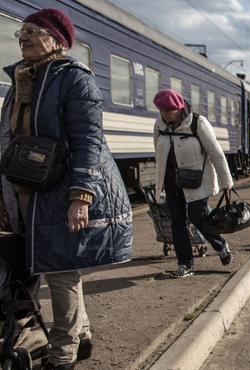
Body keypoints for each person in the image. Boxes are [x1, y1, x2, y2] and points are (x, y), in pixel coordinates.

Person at [1, 8, 134, 370]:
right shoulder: (24, 79)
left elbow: (89, 140)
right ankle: (83, 336)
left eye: (32, 31)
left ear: (57, 39)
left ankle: (63, 356)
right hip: (28, 189)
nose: (22, 37)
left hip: (61, 190)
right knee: (54, 266)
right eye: (20, 32)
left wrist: (81, 196)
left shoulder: (75, 79)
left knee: (60, 273)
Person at [153, 89, 234, 278]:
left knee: (199, 218)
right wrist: (159, 183)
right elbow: (159, 154)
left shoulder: (198, 123)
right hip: (172, 184)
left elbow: (216, 153)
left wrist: (225, 181)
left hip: (196, 181)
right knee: (177, 224)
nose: (165, 114)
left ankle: (221, 245)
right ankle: (185, 264)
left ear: (179, 108)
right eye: (161, 111)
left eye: (168, 110)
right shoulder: (159, 125)